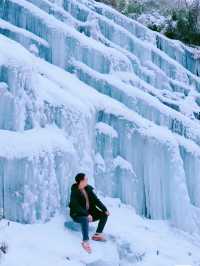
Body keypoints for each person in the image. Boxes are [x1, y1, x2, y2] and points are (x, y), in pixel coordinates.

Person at [68, 173, 110, 253]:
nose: (87, 180)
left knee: (104, 215)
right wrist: (86, 214)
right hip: (77, 214)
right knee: (84, 219)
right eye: (86, 179)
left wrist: (105, 209)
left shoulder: (88, 189)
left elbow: (96, 200)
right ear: (81, 181)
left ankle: (97, 235)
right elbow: (75, 206)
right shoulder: (74, 192)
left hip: (89, 213)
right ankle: (85, 241)